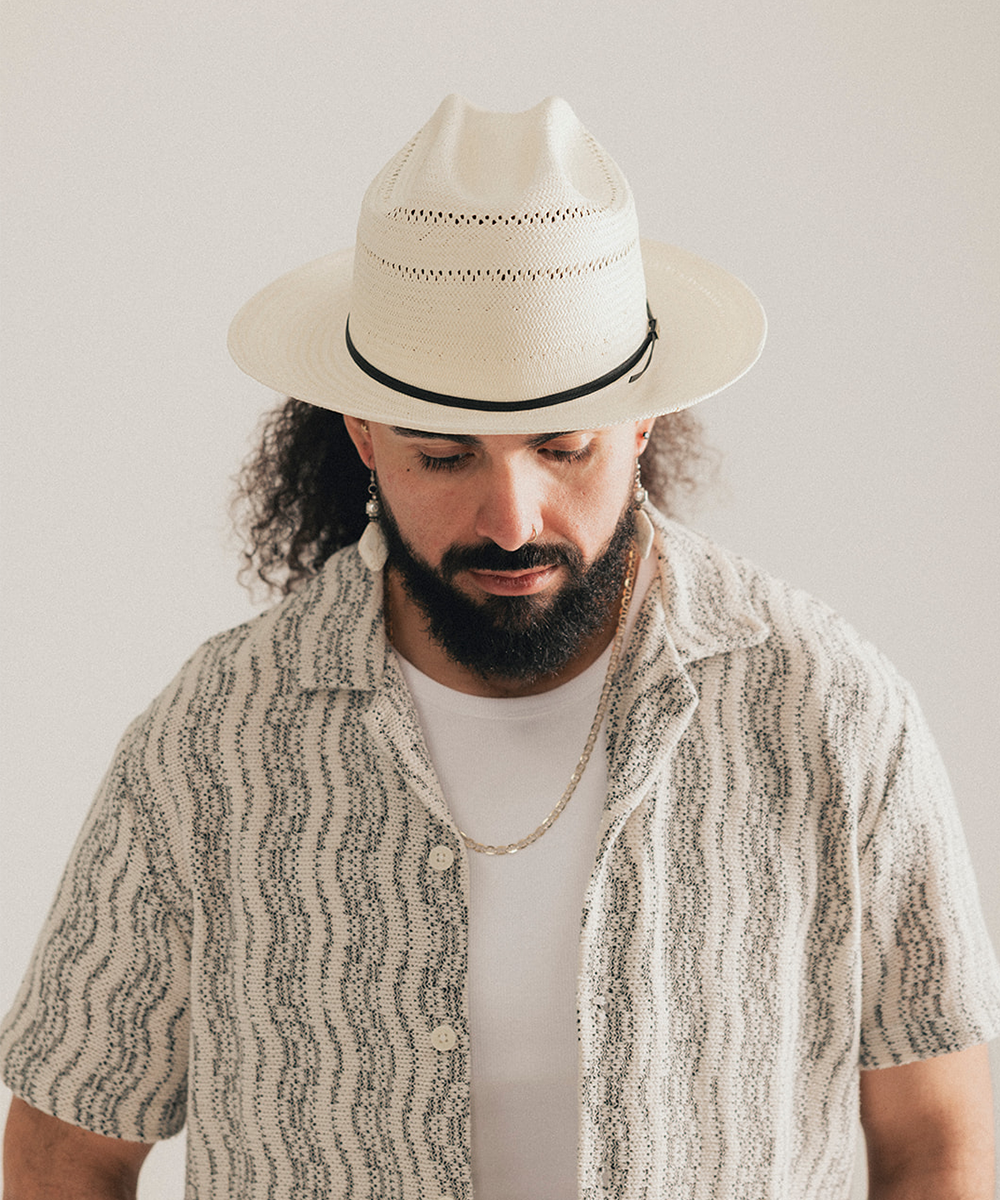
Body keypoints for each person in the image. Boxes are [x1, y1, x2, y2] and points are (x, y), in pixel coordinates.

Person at [2, 94, 998, 1200]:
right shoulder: (219, 736)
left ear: (641, 422)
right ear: (364, 436)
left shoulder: (824, 708)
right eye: (445, 458)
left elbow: (934, 1138)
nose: (512, 518)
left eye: (563, 450)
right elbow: (65, 1151)